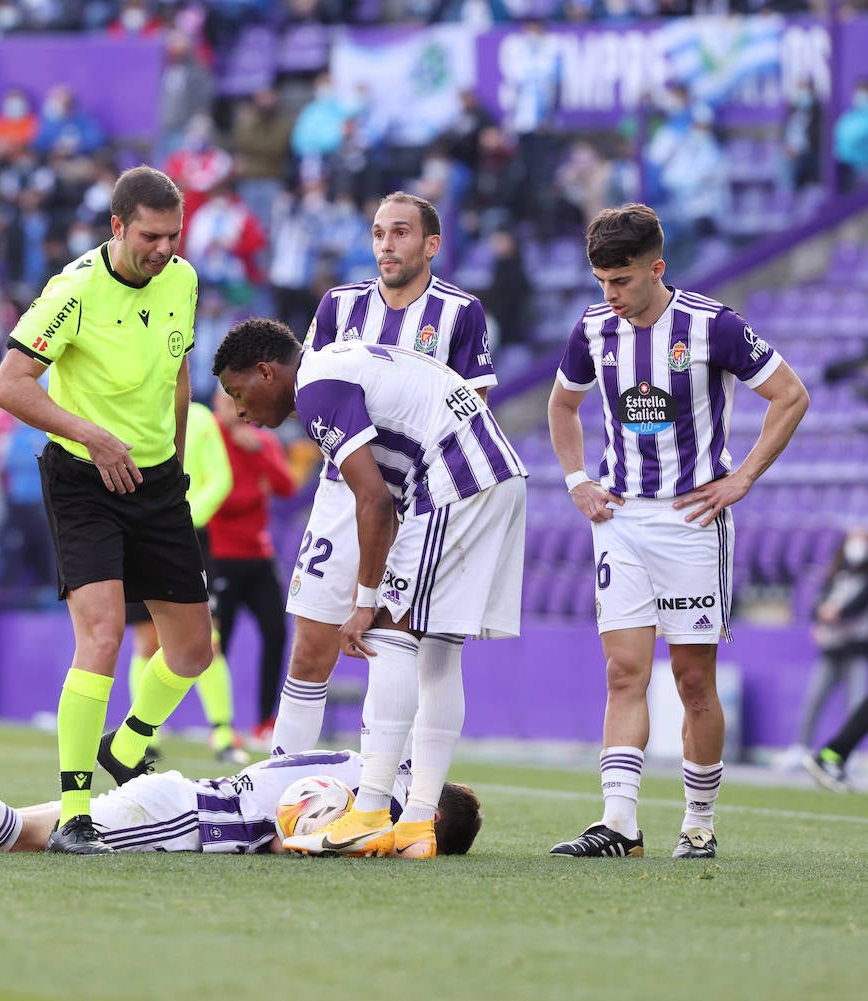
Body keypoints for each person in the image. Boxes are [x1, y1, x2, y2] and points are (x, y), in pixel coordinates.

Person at [547, 203, 809, 860]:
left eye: (623, 281)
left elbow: (790, 394)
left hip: (692, 520)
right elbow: (562, 403)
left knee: (692, 679)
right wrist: (578, 478)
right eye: (601, 282)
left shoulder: (711, 324)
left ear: (656, 267)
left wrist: (742, 477)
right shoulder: (593, 328)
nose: (611, 295)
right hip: (620, 518)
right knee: (623, 670)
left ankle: (698, 821)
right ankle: (620, 824)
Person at [212, 318, 526, 860]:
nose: (240, 411)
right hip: (492, 475)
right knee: (441, 652)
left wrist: (363, 603)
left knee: (389, 635)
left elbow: (374, 501)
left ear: (267, 372)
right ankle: (418, 824)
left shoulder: (316, 388)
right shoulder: (338, 367)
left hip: (454, 483)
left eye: (239, 393)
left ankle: (373, 809)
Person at [0, 165, 213, 855]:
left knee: (193, 650)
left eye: (172, 236)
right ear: (116, 227)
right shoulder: (74, 288)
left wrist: (173, 457)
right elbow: (9, 385)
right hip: (84, 478)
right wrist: (90, 433)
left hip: (156, 480)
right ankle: (75, 813)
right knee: (104, 635)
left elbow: (178, 374)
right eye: (150, 235)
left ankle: (128, 743)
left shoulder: (183, 279)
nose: (163, 249)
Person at [268, 193, 496, 761]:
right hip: (342, 495)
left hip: (419, 506)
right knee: (310, 650)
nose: (386, 245)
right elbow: (313, 389)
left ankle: (384, 788)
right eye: (377, 234)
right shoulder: (339, 305)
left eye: (399, 233)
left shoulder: (460, 313)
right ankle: (280, 782)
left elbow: (476, 405)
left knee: (394, 648)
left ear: (431, 244)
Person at [0, 746, 483, 857]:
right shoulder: (379, 799)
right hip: (187, 819)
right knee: (15, 835)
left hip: (182, 799)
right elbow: (294, 832)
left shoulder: (374, 760)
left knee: (13, 830)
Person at [125, 399, 242, 763]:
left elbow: (220, 477)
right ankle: (144, 734)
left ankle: (222, 733)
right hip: (138, 534)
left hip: (187, 538)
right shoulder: (128, 408)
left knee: (208, 638)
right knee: (147, 642)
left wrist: (185, 518)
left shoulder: (201, 417)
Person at [207, 385, 296, 741]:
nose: (235, 408)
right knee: (217, 643)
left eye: (238, 400)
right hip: (219, 556)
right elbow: (220, 497)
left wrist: (258, 452)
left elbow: (286, 486)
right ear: (216, 403)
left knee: (276, 633)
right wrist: (253, 492)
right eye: (228, 400)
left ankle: (265, 721)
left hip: (259, 556)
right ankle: (222, 725)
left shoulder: (262, 439)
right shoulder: (207, 436)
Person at [800, 527, 868, 790]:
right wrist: (822, 614)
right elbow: (818, 602)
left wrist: (836, 614)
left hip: (857, 646)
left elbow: (856, 605)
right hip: (833, 647)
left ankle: (833, 756)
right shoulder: (838, 570)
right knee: (817, 700)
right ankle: (824, 754)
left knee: (857, 702)